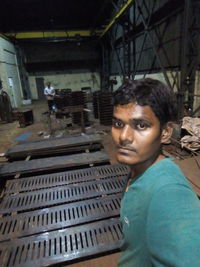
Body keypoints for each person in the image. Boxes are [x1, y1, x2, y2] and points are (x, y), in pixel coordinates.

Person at [111, 78, 200, 267]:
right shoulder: (141, 172)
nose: (124, 137)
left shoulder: (169, 194)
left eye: (141, 125)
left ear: (166, 133)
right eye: (118, 124)